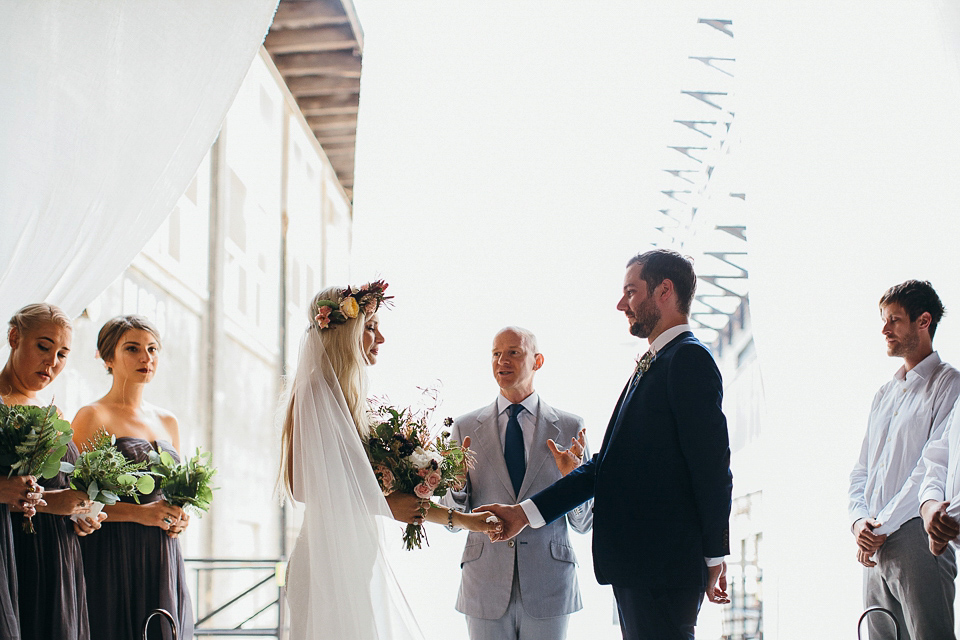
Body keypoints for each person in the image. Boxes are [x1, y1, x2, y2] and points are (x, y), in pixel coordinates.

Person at [479, 249, 733, 640]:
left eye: (631, 292)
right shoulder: (659, 361)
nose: (621, 304)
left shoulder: (688, 360)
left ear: (664, 291)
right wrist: (521, 514)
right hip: (644, 569)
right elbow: (606, 467)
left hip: (662, 570)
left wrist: (715, 555)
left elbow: (713, 467)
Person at [279, 282, 500, 640]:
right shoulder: (314, 392)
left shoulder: (349, 400)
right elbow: (302, 487)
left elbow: (387, 497)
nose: (380, 338)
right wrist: (385, 501)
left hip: (353, 560)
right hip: (324, 565)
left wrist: (465, 519)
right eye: (370, 327)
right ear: (343, 332)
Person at [440, 326, 592, 640]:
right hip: (484, 585)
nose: (502, 361)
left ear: (537, 361)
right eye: (496, 353)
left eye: (513, 352)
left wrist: (572, 482)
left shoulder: (570, 426)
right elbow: (452, 522)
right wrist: (455, 486)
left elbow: (584, 523)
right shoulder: (465, 427)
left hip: (550, 585)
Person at [847, 280, 960, 639]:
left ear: (923, 321)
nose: (884, 329)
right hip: (875, 545)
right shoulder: (883, 395)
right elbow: (862, 469)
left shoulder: (949, 384)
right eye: (884, 319)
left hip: (917, 538)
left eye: (894, 319)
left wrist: (878, 529)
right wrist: (859, 523)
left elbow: (931, 467)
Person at [71, 315, 193, 640]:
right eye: (133, 348)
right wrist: (141, 514)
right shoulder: (92, 415)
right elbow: (74, 504)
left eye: (153, 349)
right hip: (112, 556)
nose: (146, 357)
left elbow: (174, 495)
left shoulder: (169, 421)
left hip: (163, 557)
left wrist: (180, 517)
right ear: (107, 357)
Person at [0, 303, 102, 640]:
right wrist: (44, 502)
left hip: (60, 558)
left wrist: (82, 514)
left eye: (62, 353)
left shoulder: (52, 411)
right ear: (15, 337)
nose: (52, 362)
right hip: (13, 555)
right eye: (43, 346)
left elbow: (61, 487)